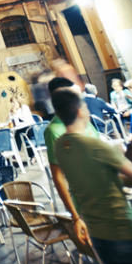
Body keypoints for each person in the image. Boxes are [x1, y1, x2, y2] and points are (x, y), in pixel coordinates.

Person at [51, 87, 132, 264]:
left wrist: (113, 176)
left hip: (98, 234)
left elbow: (90, 176)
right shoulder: (97, 146)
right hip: (124, 229)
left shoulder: (61, 147)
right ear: (81, 111)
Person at [42, 77, 99, 249]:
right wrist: (75, 216)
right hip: (86, 200)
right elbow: (58, 177)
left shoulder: (85, 120)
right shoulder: (54, 131)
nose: (80, 98)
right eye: (75, 94)